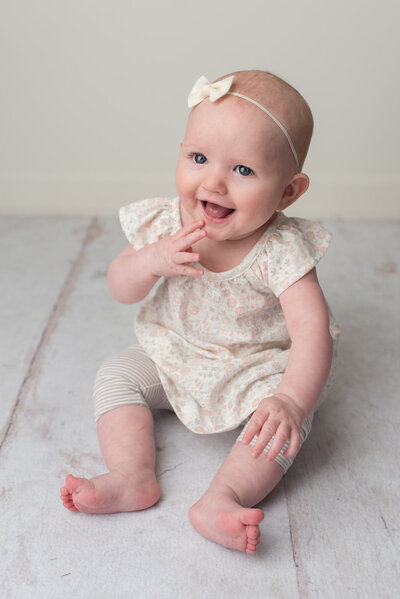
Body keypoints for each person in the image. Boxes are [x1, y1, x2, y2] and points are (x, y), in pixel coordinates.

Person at [60, 70, 339, 554]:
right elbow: (119, 286)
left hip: (257, 368)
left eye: (244, 170)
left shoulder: (281, 250)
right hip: (175, 349)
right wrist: (151, 261)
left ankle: (222, 497)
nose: (213, 181)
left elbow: (313, 330)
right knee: (115, 375)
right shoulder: (169, 222)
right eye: (199, 158)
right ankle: (132, 475)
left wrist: (292, 399)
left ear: (289, 192)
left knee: (284, 425)